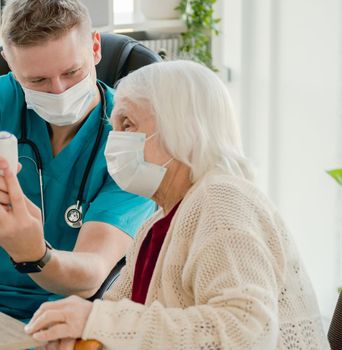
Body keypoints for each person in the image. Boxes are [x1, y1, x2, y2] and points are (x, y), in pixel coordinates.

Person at [25, 60, 329, 349]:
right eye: (114, 127)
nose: (114, 140)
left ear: (183, 127)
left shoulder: (222, 199)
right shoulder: (157, 222)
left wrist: (95, 321)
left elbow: (246, 333)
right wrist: (82, 335)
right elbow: (120, 318)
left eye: (127, 124)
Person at [0, 0, 155, 321]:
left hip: (46, 315)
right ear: (9, 63)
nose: (58, 91)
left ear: (95, 47)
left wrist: (34, 254)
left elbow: (91, 274)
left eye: (72, 72)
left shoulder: (132, 135)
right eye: (37, 81)